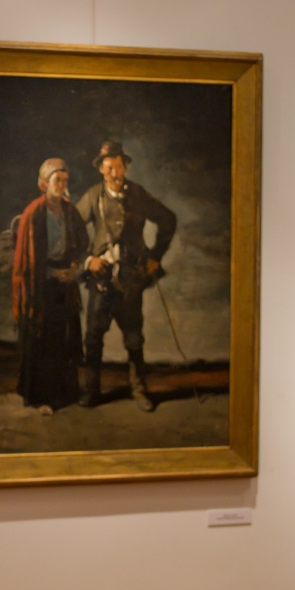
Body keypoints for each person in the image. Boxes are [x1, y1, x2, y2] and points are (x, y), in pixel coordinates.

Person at [74, 140, 177, 410]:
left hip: (132, 279)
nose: (115, 174)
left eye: (119, 167)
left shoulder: (139, 195)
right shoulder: (93, 196)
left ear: (126, 167)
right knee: (93, 337)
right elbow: (70, 230)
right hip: (101, 280)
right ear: (101, 169)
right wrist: (88, 260)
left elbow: (168, 219)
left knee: (134, 337)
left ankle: (139, 390)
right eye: (109, 169)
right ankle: (91, 391)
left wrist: (155, 256)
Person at [11, 158, 88, 413]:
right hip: (40, 285)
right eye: (57, 180)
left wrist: (74, 268)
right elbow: (27, 260)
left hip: (65, 281)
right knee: (43, 338)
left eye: (65, 180)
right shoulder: (34, 212)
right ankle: (40, 397)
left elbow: (82, 243)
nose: (62, 184)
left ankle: (65, 392)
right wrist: (52, 273)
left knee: (64, 337)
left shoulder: (70, 211)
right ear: (44, 183)